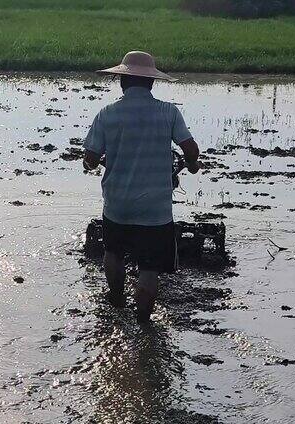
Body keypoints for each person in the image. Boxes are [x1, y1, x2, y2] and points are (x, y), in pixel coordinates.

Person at [82, 51, 201, 323]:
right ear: (151, 83)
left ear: (122, 81)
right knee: (149, 268)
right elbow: (190, 149)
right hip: (155, 210)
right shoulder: (168, 112)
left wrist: (91, 163)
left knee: (113, 253)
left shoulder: (107, 114)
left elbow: (90, 159)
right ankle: (144, 322)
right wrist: (192, 164)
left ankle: (116, 300)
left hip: (117, 206)